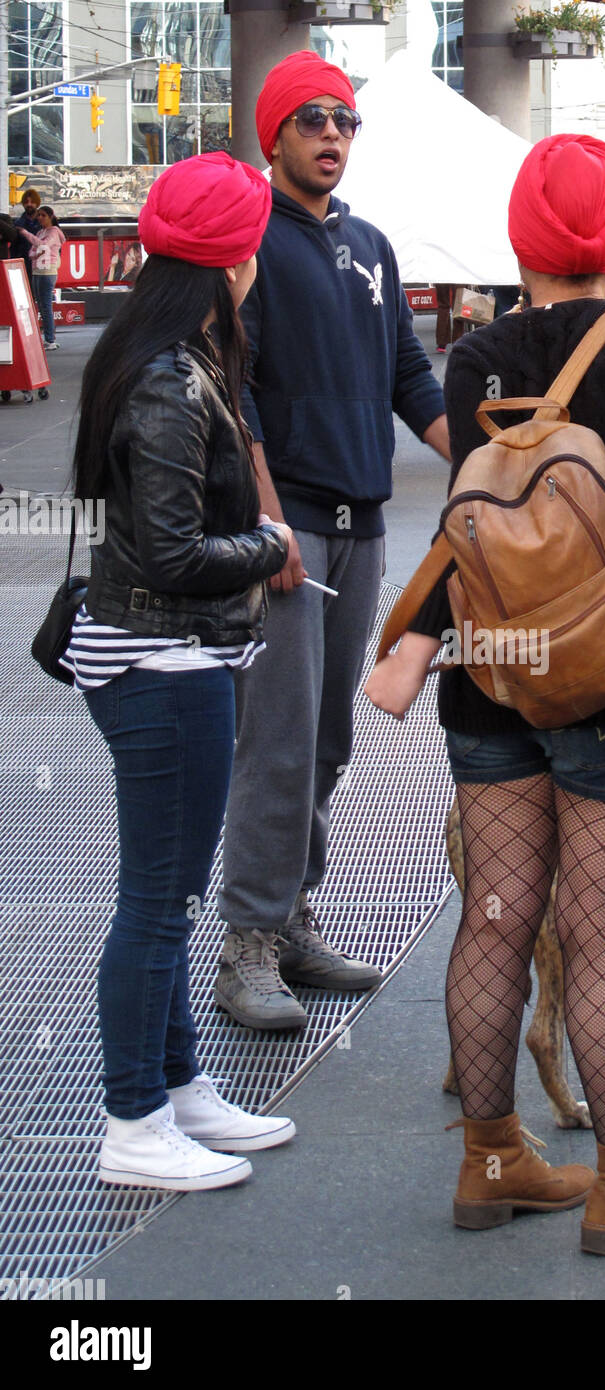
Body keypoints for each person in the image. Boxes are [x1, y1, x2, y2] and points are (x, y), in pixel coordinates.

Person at [366, 133, 605, 1253]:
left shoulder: (475, 354)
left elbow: (467, 524)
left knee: (495, 922)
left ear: (522, 235)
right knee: (598, 939)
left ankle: (492, 1160)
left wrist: (418, 639)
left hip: (491, 675)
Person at [60, 152, 297, 1190]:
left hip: (166, 656)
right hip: (163, 659)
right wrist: (269, 547)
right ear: (234, 258)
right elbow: (169, 553)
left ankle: (177, 1087)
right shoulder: (170, 375)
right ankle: (133, 1121)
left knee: (171, 893)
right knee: (157, 901)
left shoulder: (163, 353)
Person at [215, 51, 450, 1031]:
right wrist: (269, 519)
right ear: (274, 135)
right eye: (311, 119)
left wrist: (489, 465)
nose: (331, 136)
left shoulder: (374, 245)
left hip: (362, 526)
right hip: (292, 525)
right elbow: (232, 391)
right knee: (276, 736)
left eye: (345, 121)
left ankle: (292, 916)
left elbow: (409, 377)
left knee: (326, 734)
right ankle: (249, 944)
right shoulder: (247, 241)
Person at [20, 206, 66, 350]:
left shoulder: (53, 232)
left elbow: (43, 246)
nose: (40, 218)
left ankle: (50, 339)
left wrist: (26, 234)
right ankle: (47, 338)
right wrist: (37, 253)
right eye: (39, 215)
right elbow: (32, 252)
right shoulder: (40, 232)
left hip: (47, 272)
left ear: (51, 216)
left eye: (43, 215)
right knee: (40, 305)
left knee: (45, 306)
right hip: (37, 271)